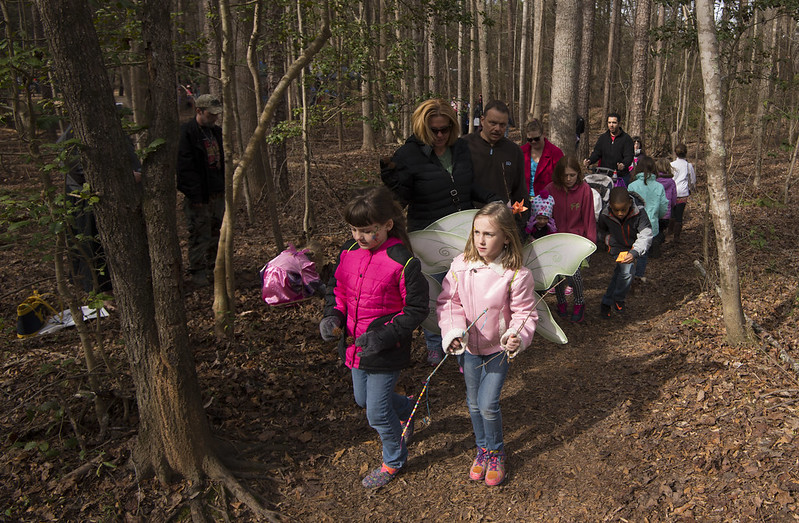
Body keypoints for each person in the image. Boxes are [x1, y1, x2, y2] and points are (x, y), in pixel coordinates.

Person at [319, 186, 428, 489]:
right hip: (354, 345)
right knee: (362, 399)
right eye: (354, 230)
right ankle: (407, 408)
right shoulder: (348, 252)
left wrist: (384, 335)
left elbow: (416, 309)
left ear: (387, 225)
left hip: (386, 348)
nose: (359, 237)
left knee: (377, 414)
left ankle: (393, 460)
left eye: (367, 231)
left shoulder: (403, 261)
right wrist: (332, 316)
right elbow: (336, 291)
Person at [381, 98, 496, 365]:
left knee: (465, 291)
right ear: (423, 128)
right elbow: (401, 201)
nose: (441, 135)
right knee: (433, 289)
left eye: (445, 129)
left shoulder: (461, 148)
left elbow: (468, 185)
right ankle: (434, 340)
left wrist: (492, 198)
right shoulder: (407, 155)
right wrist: (392, 183)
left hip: (463, 232)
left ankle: (466, 341)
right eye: (435, 130)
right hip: (428, 234)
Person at [437, 202, 538, 487]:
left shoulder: (516, 274)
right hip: (469, 348)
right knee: (472, 403)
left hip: (497, 349)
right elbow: (449, 302)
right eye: (477, 232)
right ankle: (481, 449)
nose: (481, 240)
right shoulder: (461, 266)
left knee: (488, 404)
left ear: (506, 237)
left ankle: (496, 452)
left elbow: (525, 312)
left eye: (489, 234)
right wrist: (454, 331)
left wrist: (516, 334)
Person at [58, 116, 141, 296]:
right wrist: (121, 178)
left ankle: (100, 285)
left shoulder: (113, 131)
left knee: (102, 243)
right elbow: (77, 168)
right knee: (89, 243)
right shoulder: (76, 133)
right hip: (83, 197)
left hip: (107, 196)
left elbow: (129, 157)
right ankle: (95, 290)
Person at [177, 93, 225, 288]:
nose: (214, 118)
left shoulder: (216, 132)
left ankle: (214, 268)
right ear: (199, 111)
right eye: (211, 114)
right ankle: (198, 271)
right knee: (199, 232)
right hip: (198, 195)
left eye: (216, 115)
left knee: (216, 231)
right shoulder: (187, 134)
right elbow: (184, 167)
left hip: (217, 190)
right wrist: (195, 194)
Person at [544, 155, 596, 323]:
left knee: (574, 274)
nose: (568, 179)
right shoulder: (551, 189)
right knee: (557, 276)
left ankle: (579, 303)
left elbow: (589, 217)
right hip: (556, 240)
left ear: (578, 174)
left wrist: (590, 243)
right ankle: (561, 302)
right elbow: (542, 213)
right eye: (565, 175)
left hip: (576, 240)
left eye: (572, 175)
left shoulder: (585, 190)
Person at [597, 187, 653, 318]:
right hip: (618, 247)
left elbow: (646, 234)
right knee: (626, 272)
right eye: (616, 210)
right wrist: (608, 241)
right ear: (610, 206)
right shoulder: (605, 214)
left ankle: (607, 302)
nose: (620, 213)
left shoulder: (639, 212)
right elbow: (601, 230)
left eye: (623, 209)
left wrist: (635, 252)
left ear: (629, 204)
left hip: (634, 246)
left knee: (620, 274)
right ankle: (618, 299)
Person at [464, 100, 527, 210]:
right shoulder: (464, 145)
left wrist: (518, 220)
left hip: (502, 219)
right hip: (468, 218)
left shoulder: (514, 151)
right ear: (482, 120)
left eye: (502, 125)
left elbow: (520, 193)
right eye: (493, 123)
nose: (497, 128)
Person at [627, 156, 668, 280]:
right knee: (643, 252)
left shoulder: (632, 185)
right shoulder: (659, 186)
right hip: (651, 224)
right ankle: (639, 276)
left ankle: (629, 275)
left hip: (634, 224)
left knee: (633, 249)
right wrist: (657, 217)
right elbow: (663, 207)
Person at [583, 112, 635, 185]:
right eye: (609, 122)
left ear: (619, 123)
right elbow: (597, 153)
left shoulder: (626, 139)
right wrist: (590, 160)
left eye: (614, 122)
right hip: (604, 174)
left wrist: (623, 164)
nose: (611, 125)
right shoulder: (603, 138)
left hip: (620, 175)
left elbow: (629, 156)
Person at [521, 118, 564, 198]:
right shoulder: (521, 152)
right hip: (524, 199)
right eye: (530, 139)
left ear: (543, 134)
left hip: (547, 199)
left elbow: (561, 179)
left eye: (536, 139)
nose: (533, 142)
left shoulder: (555, 153)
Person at [669, 143, 696, 243]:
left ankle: (670, 233)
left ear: (675, 153)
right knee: (679, 216)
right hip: (683, 192)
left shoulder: (671, 165)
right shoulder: (688, 166)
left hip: (672, 192)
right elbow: (692, 180)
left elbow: (669, 178)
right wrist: (692, 188)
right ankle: (676, 237)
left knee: (672, 214)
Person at [654, 157, 678, 249]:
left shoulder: (654, 181)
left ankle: (655, 246)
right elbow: (674, 199)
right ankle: (658, 243)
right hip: (665, 214)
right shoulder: (671, 182)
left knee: (654, 231)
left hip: (654, 212)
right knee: (660, 231)